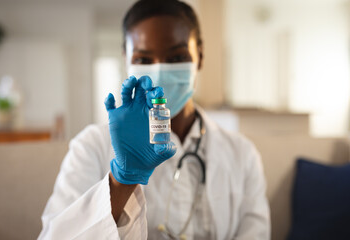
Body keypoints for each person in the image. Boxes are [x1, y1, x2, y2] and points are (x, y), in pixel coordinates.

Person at [39, 0, 270, 239]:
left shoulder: (242, 154)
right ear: (126, 60)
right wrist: (122, 182)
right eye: (144, 60)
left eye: (176, 56)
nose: (159, 71)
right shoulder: (92, 147)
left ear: (199, 56)